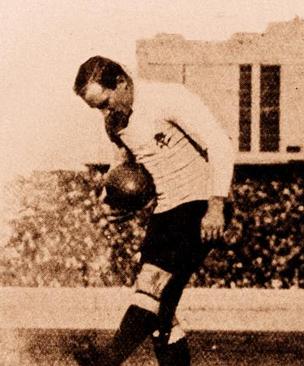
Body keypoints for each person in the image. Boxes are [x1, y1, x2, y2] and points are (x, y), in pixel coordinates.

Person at [71, 56, 235, 365]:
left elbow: (219, 142)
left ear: (121, 82)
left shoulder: (169, 97)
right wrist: (112, 200)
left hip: (199, 204)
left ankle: (109, 360)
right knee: (161, 316)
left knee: (151, 287)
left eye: (106, 103)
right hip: (166, 211)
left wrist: (216, 205)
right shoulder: (115, 122)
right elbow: (122, 164)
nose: (105, 112)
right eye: (97, 108)